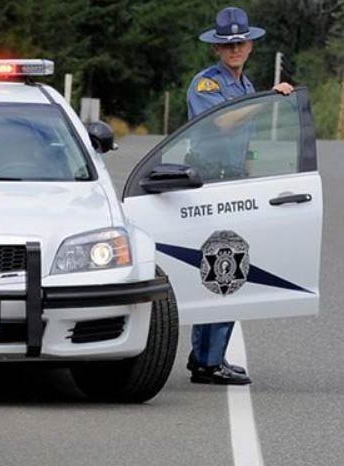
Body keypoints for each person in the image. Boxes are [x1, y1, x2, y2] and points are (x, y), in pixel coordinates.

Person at [185, 6, 293, 385]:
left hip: (232, 184)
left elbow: (243, 143)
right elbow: (222, 124)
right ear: (216, 48)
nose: (234, 50)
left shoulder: (244, 86)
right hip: (209, 183)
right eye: (227, 44)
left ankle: (205, 356)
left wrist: (254, 178)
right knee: (222, 268)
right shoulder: (207, 85)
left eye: (240, 43)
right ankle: (208, 361)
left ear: (250, 45)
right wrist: (265, 100)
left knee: (228, 266)